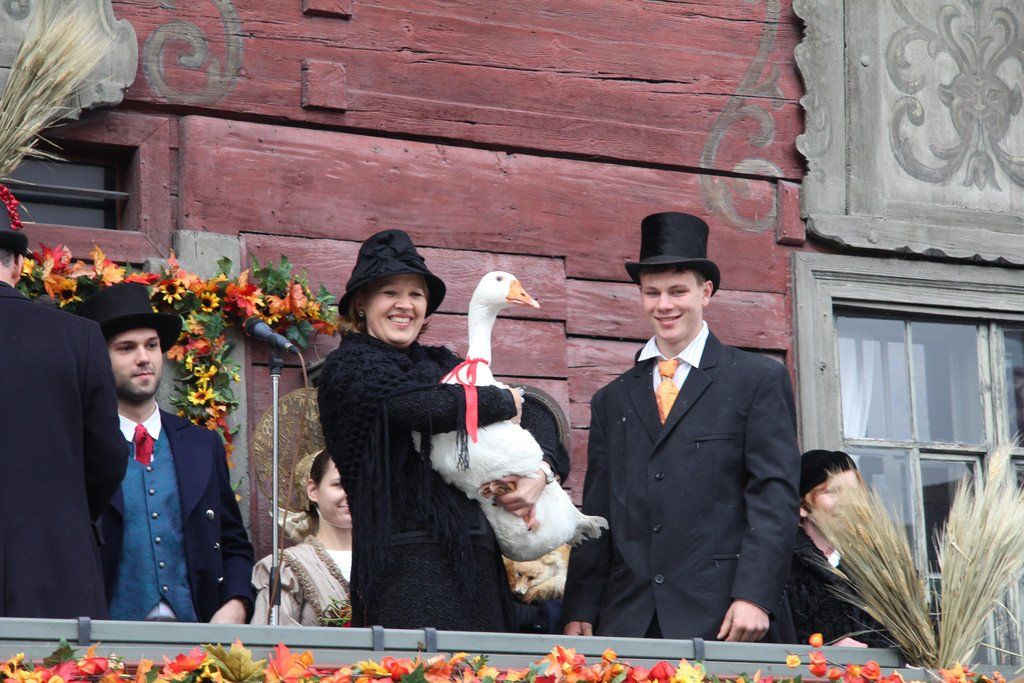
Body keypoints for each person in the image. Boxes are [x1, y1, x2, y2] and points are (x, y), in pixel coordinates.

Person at [562, 211, 800, 642]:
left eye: (677, 291)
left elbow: (774, 495)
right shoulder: (612, 400)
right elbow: (598, 512)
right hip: (630, 621)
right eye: (652, 293)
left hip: (727, 618)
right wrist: (581, 606)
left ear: (705, 292)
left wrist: (755, 594)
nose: (664, 305)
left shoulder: (757, 380)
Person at [317, 228, 568, 630]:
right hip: (408, 574)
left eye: (416, 294)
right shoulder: (349, 368)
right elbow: (416, 406)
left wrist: (541, 473)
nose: (405, 305)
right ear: (361, 303)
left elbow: (537, 412)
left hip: (479, 572)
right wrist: (504, 402)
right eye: (390, 292)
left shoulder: (441, 364)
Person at [79, 282, 255, 623]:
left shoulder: (202, 445)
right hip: (107, 641)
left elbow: (233, 541)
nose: (144, 358)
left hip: (196, 639)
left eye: (152, 345)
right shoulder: (80, 447)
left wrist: (237, 604)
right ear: (100, 359)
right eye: (126, 348)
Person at [0, 219, 127, 618]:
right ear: (18, 264)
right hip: (55, 570)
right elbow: (108, 456)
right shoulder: (78, 338)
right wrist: (63, 512)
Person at [786, 449, 889, 647]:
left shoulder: (879, 568)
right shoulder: (782, 566)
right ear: (802, 506)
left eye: (854, 492)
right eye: (831, 491)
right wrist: (828, 646)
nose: (847, 502)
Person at [251, 450, 353, 626]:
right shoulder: (287, 567)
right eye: (339, 484)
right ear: (313, 490)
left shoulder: (390, 561)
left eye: (362, 485)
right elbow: (274, 638)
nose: (351, 493)